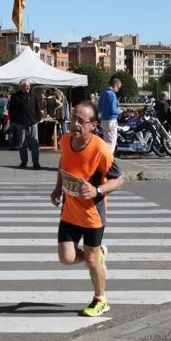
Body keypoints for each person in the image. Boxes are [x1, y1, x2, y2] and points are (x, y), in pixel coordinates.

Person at [50, 101, 124, 317]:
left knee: (91, 260)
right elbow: (64, 164)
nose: (74, 124)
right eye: (73, 117)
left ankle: (100, 299)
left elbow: (119, 180)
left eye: (80, 120)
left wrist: (97, 190)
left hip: (92, 215)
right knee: (66, 258)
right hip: (70, 211)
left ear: (93, 125)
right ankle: (98, 254)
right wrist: (57, 188)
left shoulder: (100, 149)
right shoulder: (65, 140)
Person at [9, 79, 42, 169]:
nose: (27, 87)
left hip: (33, 121)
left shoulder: (33, 95)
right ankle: (24, 161)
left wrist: (39, 118)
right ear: (21, 87)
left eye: (28, 85)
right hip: (20, 122)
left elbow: (37, 108)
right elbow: (11, 110)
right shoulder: (15, 96)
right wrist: (13, 120)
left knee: (35, 142)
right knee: (22, 143)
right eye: (25, 86)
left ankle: (36, 162)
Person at [98, 76, 122, 153]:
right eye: (118, 87)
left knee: (106, 143)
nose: (118, 90)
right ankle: (108, 162)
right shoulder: (111, 94)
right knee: (111, 144)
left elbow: (99, 107)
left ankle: (104, 161)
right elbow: (113, 110)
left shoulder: (104, 92)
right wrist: (120, 111)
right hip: (111, 121)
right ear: (115, 85)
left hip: (104, 120)